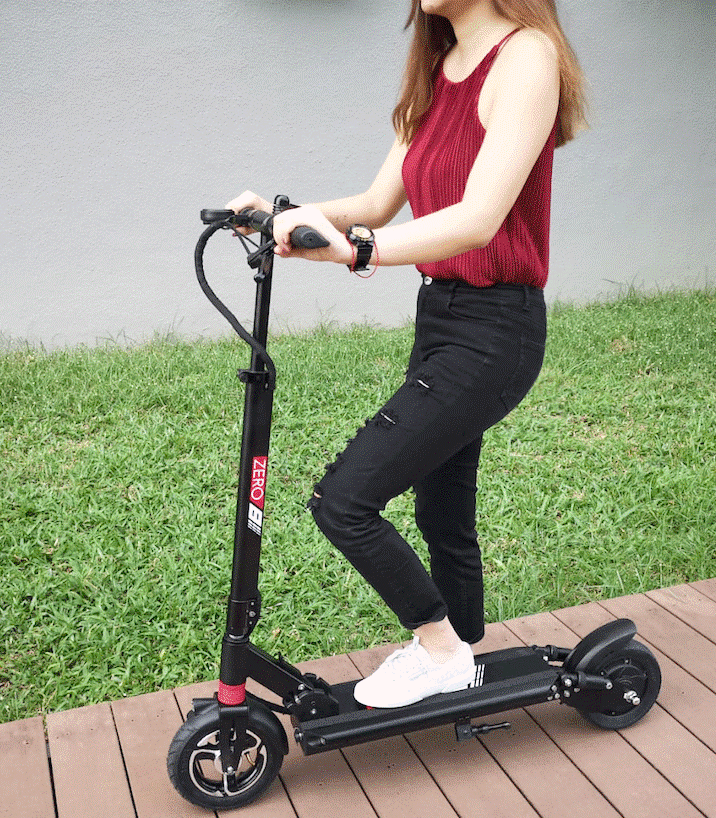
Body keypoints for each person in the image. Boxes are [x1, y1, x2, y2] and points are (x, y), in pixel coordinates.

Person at [227, 0, 587, 709]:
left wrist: (358, 252)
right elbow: (375, 202)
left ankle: (440, 651)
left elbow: (478, 219)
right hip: (441, 317)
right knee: (441, 509)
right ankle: (462, 650)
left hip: (497, 329)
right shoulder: (434, 66)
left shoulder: (527, 56)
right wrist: (281, 218)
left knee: (343, 501)